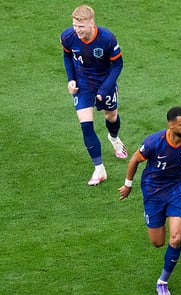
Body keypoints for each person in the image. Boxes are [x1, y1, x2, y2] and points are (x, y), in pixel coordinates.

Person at [118, 107, 181, 295]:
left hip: (178, 190)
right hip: (153, 191)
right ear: (171, 125)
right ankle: (160, 220)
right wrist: (128, 185)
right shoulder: (154, 142)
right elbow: (134, 160)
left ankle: (163, 281)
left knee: (176, 238)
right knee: (158, 242)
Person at [61, 5, 128, 186]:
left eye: (81, 27)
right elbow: (67, 56)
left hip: (104, 82)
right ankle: (99, 169)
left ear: (92, 23)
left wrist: (105, 88)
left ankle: (113, 138)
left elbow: (117, 65)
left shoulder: (107, 38)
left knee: (111, 116)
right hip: (82, 84)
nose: (77, 30)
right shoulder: (68, 36)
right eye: (75, 25)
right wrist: (71, 79)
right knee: (86, 125)